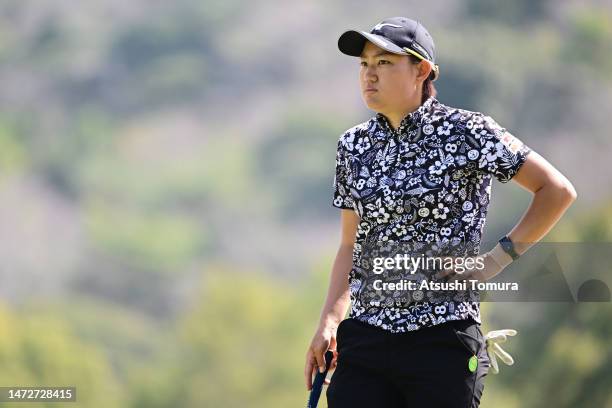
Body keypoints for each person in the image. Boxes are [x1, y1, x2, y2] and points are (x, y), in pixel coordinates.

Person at [304, 16, 577, 408]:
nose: (370, 75)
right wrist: (330, 321)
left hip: (442, 340)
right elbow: (351, 244)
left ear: (423, 71)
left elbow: (556, 190)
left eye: (384, 63)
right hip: (365, 338)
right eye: (364, 64)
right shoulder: (353, 146)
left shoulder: (469, 131)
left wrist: (494, 261)